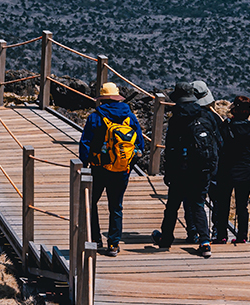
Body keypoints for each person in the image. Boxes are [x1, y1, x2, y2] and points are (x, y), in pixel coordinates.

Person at [153, 80, 223, 255]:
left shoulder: (176, 119)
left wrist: (168, 173)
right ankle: (205, 242)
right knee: (198, 204)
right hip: (203, 171)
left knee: (172, 207)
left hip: (180, 171)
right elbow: (217, 143)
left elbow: (170, 149)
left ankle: (166, 239)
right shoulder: (206, 116)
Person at [78, 82, 146, 256]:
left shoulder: (95, 117)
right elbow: (140, 145)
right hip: (121, 170)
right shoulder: (130, 117)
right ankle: (113, 244)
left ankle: (95, 238)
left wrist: (85, 164)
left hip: (99, 168)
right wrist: (128, 165)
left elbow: (85, 143)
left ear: (102, 99)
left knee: (91, 203)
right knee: (116, 207)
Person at [211, 97, 250, 244]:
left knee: (222, 203)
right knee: (242, 206)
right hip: (245, 170)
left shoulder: (226, 126)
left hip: (226, 169)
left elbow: (219, 144)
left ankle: (221, 235)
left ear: (234, 110)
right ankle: (242, 236)